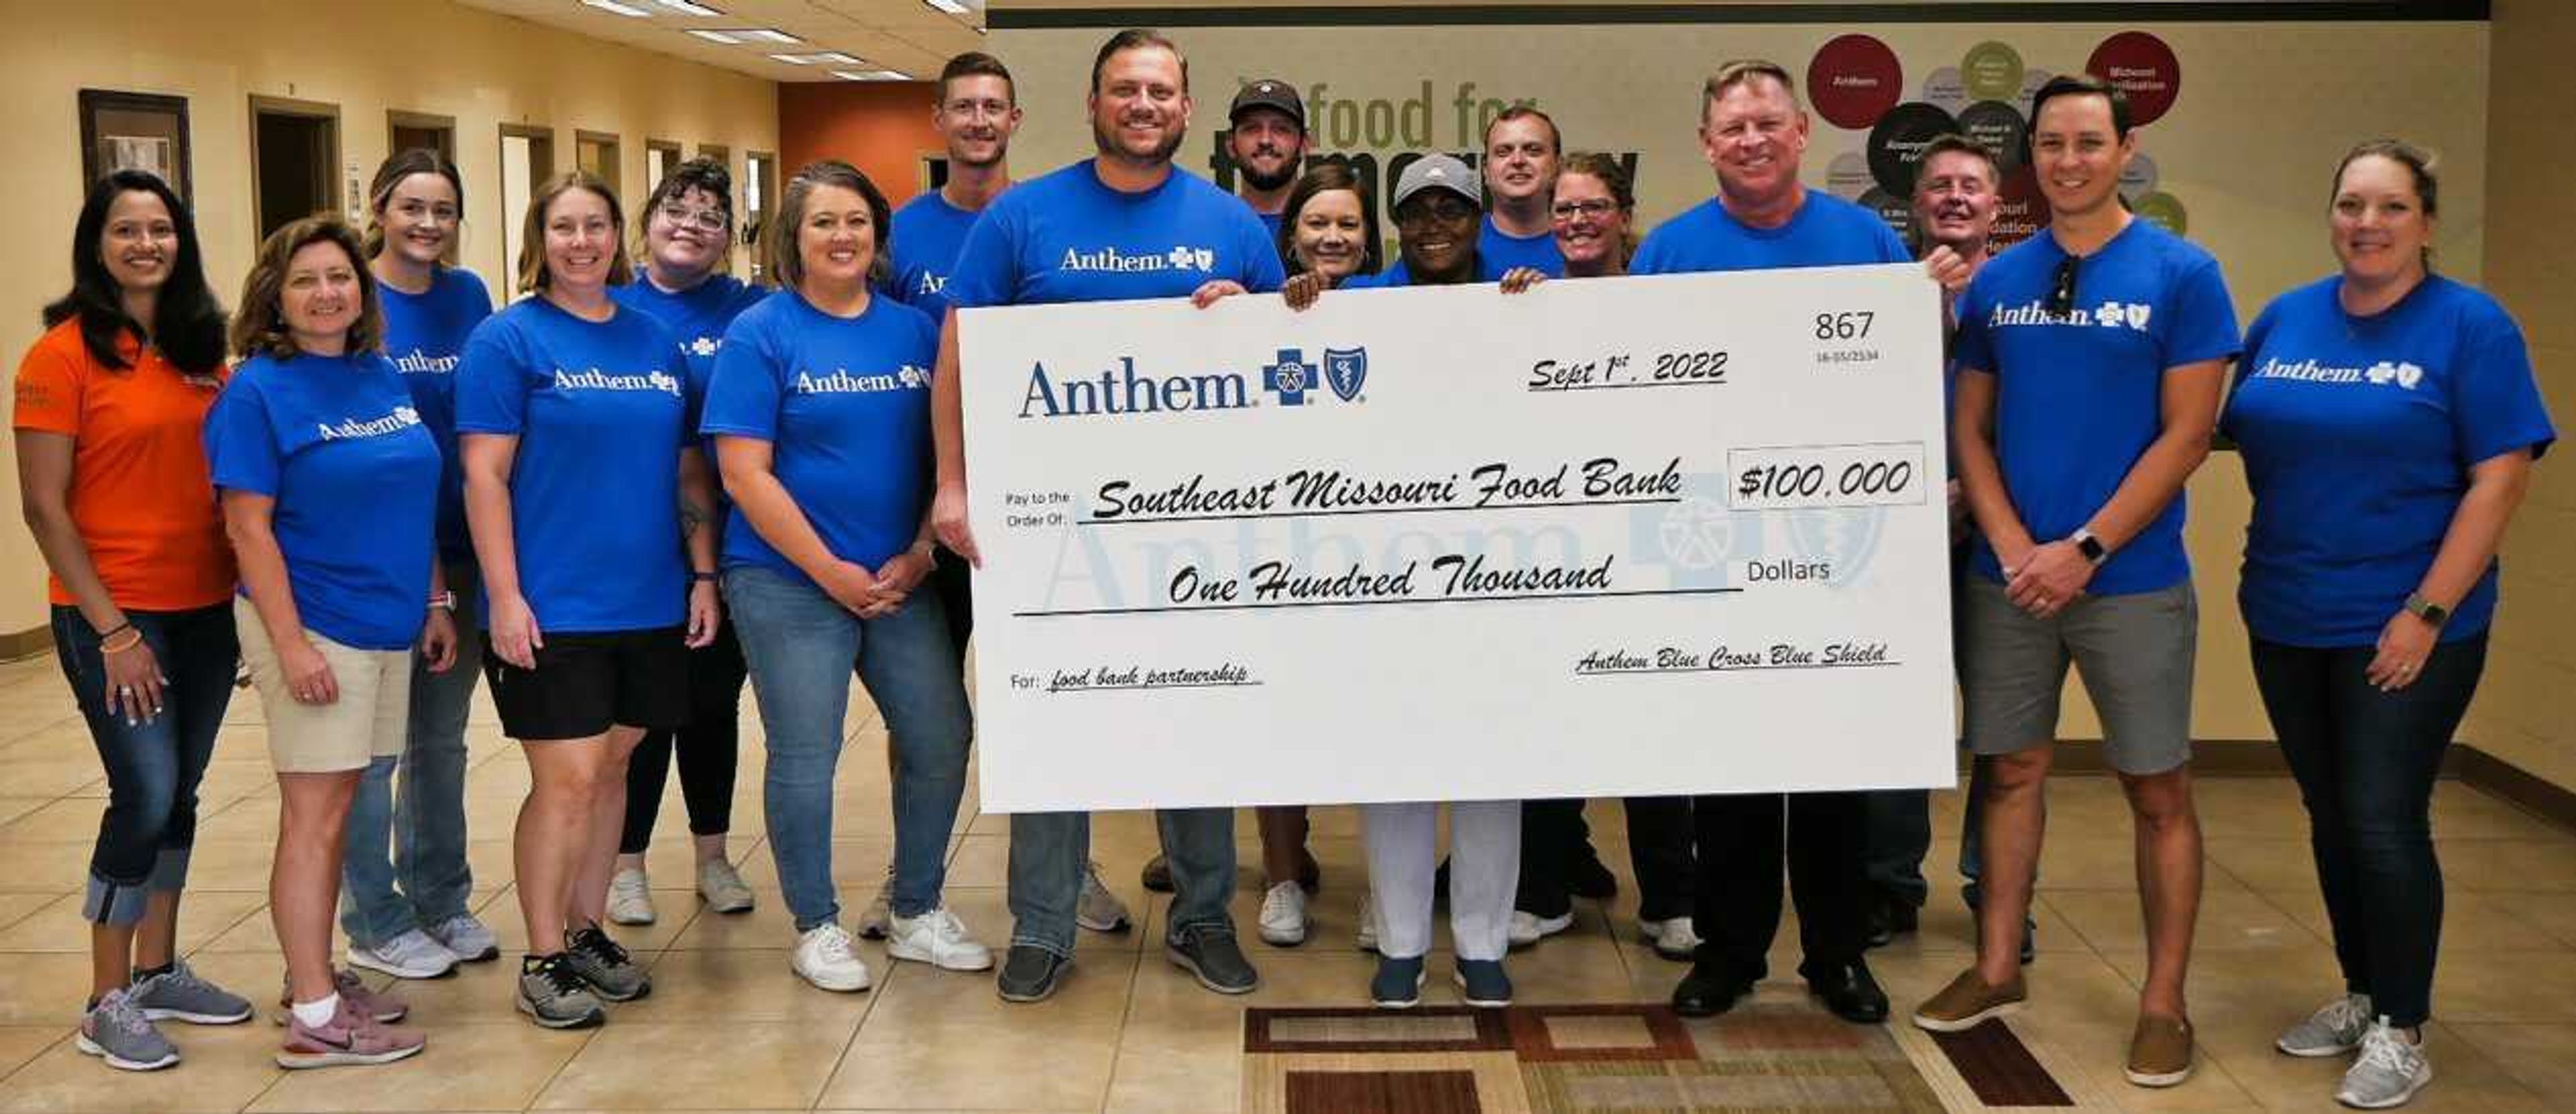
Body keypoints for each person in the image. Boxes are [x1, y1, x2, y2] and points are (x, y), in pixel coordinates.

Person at [928, 27, 1283, 1004]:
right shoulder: (1021, 220)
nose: (1143, 105)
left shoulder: (1232, 228)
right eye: (1125, 89)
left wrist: (1246, 325)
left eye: (1160, 91)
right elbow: (960, 352)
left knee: (1198, 716)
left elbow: (1285, 380)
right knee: (1049, 722)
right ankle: (1042, 926)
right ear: (1093, 105)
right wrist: (952, 483)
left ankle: (1203, 916)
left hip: (1194, 530)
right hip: (1046, 529)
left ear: (1185, 110)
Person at [1912, 75, 2240, 1091]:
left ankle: (2162, 1003)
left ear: (2124, 147)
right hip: (2008, 579)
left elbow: (2188, 436)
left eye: (2088, 142)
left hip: (2131, 580)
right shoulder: (2003, 280)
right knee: (2009, 772)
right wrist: (2016, 547)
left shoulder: (2185, 274)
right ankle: (1999, 964)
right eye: (2050, 144)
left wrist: (2084, 549)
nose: (2068, 160)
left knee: (2156, 789)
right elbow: (1970, 426)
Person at [1631, 59, 1966, 1027]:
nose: (1752, 141)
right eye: (1733, 128)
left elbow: (1906, 384)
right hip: (1715, 542)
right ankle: (1731, 954)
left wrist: (1934, 312)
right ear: (1706, 144)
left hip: (1838, 544)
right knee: (1731, 772)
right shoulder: (1671, 253)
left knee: (1832, 771)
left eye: (1769, 124)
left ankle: (1834, 956)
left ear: (1802, 132)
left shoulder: (1864, 240)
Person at [2225, 140, 2553, 1109]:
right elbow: (2214, 422)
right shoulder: (2286, 317)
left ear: (2427, 223)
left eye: (2391, 208)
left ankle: (2403, 1026)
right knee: (2331, 817)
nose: (2367, 224)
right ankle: (2365, 992)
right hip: (2286, 612)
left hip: (2409, 625)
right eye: (2351, 205)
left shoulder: (2470, 326)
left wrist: (2426, 611)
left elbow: (2502, 477)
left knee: (2381, 820)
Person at [871, 51, 1133, 942]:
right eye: (963, 108)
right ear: (939, 123)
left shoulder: (1045, 221)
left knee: (1059, 694)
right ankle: (913, 878)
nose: (979, 121)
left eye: (994, 108)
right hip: (935, 507)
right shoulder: (898, 236)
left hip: (1049, 507)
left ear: (1016, 121)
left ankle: (1073, 868)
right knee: (928, 710)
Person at [706, 159, 985, 993]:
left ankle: (914, 908)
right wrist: (830, 571)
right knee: (806, 751)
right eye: (823, 222)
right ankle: (817, 924)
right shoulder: (762, 332)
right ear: (794, 237)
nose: (842, 236)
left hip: (900, 576)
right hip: (788, 579)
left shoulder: (911, 330)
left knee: (941, 735)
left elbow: (943, 453)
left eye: (857, 221)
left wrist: (918, 552)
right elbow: (744, 474)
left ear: (878, 234)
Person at [456, 170, 722, 1029]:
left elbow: (687, 469)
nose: (583, 241)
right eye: (565, 226)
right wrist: (503, 595)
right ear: (542, 236)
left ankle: (587, 927)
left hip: (647, 597)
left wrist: (704, 572)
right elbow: (484, 475)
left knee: (614, 770)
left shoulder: (653, 342)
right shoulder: (509, 340)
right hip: (554, 602)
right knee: (566, 778)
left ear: (620, 235)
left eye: (597, 225)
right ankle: (542, 951)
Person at [14, 169, 254, 1072]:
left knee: (181, 795)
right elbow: (45, 508)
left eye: (161, 229)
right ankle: (104, 996)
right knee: (144, 793)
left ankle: (159, 970)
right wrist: (114, 632)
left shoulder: (203, 352)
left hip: (204, 610)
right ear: (97, 245)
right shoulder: (62, 357)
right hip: (113, 615)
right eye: (127, 230)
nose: (146, 244)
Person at [1287, 154, 1523, 1009]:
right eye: (1417, 211)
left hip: (1501, 562)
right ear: (1399, 222)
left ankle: (1486, 943)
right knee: (1395, 758)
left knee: (1495, 762)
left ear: (1477, 219)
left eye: (1452, 211)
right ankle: (1400, 943)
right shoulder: (1350, 306)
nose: (1434, 226)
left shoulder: (1521, 299)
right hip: (1381, 569)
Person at [207, 215, 435, 1068]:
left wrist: (435, 598)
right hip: (314, 626)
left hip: (387, 622)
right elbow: (248, 530)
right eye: (305, 280)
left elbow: (405, 494)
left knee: (343, 808)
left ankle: (321, 976)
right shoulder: (257, 391)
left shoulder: (378, 374)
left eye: (340, 277)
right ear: (274, 296)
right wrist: (292, 644)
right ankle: (314, 1015)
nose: (326, 293)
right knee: (314, 815)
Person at [1499, 153, 1699, 962]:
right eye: (1566, 209)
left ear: (1623, 213)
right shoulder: (1526, 303)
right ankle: (1543, 891)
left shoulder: (1660, 303)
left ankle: (1672, 900)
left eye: (1594, 207)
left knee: (1652, 731)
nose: (1578, 221)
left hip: (1650, 541)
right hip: (1555, 548)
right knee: (1554, 725)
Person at [1859, 134, 2035, 960]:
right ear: (1915, 203)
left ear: (1996, 206)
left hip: (1999, 537)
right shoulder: (1883, 289)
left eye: (1972, 186)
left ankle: (1994, 888)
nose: (1955, 199)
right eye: (1939, 187)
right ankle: (1890, 886)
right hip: (1899, 538)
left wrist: (1975, 492)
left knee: (2000, 723)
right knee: (1899, 718)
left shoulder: (2024, 292)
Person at [340, 148, 501, 982]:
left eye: (443, 209)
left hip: (462, 547)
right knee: (370, 750)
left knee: (440, 739)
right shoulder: (348, 299)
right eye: (412, 207)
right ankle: (376, 913)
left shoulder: (469, 297)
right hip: (375, 556)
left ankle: (443, 896)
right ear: (379, 205)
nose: (428, 225)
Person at [605, 157, 765, 928]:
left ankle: (712, 856)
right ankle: (627, 865)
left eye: (709, 216)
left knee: (711, 707)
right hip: (629, 546)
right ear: (648, 219)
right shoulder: (606, 307)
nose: (690, 226)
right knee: (639, 713)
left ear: (728, 238)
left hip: (729, 546)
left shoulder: (751, 310)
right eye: (677, 209)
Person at [1248, 161, 1383, 950]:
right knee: (1278, 723)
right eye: (1317, 224)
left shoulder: (1401, 305)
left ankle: (1377, 888)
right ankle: (1282, 880)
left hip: (1377, 554)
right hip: (1279, 551)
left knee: (1372, 728)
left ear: (1368, 242)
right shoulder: (1259, 312)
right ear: (1289, 235)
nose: (1332, 237)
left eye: (1348, 226)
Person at [1479, 107, 1566, 276]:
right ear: (1485, 171)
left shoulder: (1583, 245)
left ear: (1558, 166)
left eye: (1533, 150)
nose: (1517, 161)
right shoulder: (1459, 246)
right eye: (1503, 152)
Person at [1226, 78, 1308, 238]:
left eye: (1281, 129)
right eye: (1251, 129)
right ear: (1230, 144)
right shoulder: (1210, 226)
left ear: (1305, 145)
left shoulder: (1327, 230)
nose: (1265, 140)